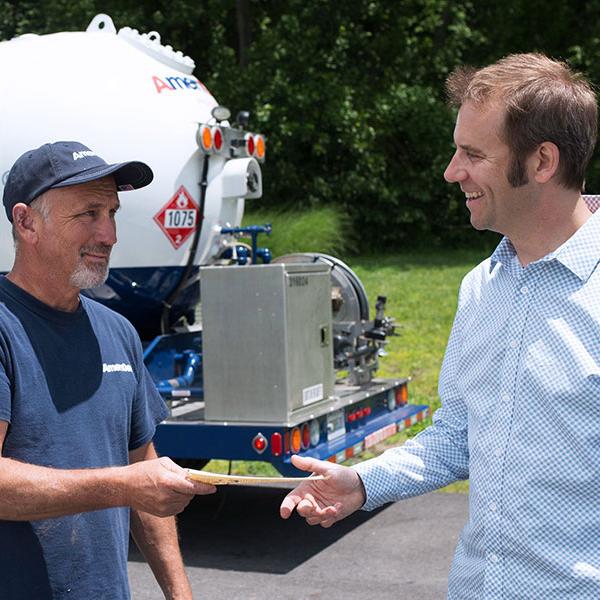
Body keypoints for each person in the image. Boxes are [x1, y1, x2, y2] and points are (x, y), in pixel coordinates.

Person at [280, 53, 600, 598]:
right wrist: (362, 483)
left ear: (543, 161)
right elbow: (458, 435)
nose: (452, 171)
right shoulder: (481, 287)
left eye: (473, 154)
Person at [0, 141, 216, 599]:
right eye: (88, 214)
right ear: (26, 222)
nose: (109, 234)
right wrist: (124, 486)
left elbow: (143, 469)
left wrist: (180, 594)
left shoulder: (117, 332)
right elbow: (132, 482)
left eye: (112, 213)